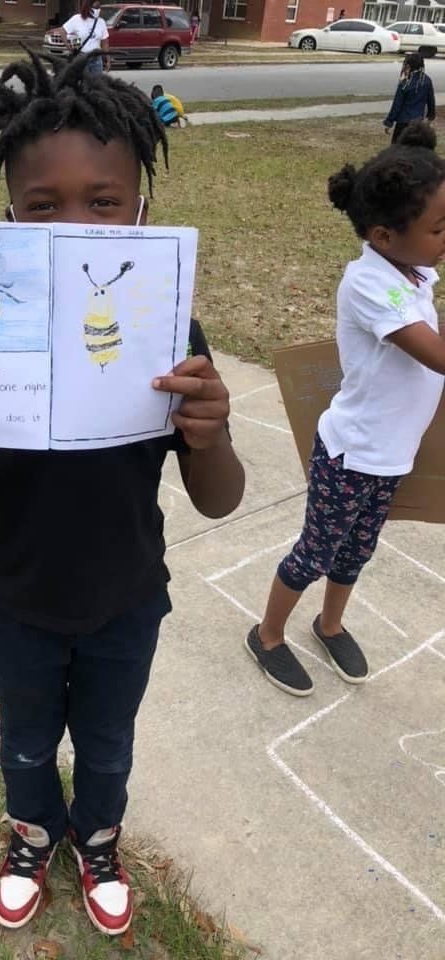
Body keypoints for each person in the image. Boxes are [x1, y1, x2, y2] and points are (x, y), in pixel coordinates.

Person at [0, 50, 245, 938]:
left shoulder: (168, 327)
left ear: (141, 211)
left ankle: (100, 838)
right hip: (17, 600)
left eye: (104, 202)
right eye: (44, 206)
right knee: (27, 741)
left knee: (110, 745)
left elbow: (219, 500)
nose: (76, 222)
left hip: (128, 599)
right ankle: (35, 835)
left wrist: (213, 431)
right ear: (10, 216)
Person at [246, 122, 445, 697]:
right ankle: (267, 635)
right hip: (352, 454)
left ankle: (329, 623)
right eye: (437, 229)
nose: (444, 238)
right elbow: (434, 355)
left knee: (358, 550)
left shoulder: (413, 272)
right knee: (314, 553)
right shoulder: (368, 284)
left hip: (390, 456)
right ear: (383, 234)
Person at [384, 53, 436, 144]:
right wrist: (430, 117)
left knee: (398, 150)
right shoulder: (427, 80)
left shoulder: (405, 83)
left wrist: (389, 122)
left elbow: (397, 105)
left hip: (402, 123)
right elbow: (431, 101)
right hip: (418, 124)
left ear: (408, 65)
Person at [61, 0, 109, 74]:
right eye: (95, 7)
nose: (97, 10)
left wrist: (107, 60)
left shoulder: (101, 22)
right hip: (81, 57)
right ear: (88, 7)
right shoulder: (77, 19)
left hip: (96, 58)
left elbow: (105, 43)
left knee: (96, 83)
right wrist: (68, 46)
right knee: (83, 83)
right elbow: (63, 31)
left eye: (98, 7)